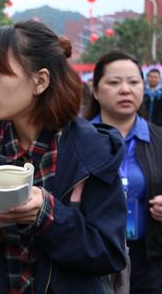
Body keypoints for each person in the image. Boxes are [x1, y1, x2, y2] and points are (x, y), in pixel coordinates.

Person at [0, 20, 128, 293]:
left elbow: (109, 252)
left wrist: (48, 215)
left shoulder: (91, 150)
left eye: (0, 73)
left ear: (40, 81)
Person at [85, 50, 162, 293]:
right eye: (114, 82)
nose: (125, 89)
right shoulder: (75, 141)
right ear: (95, 91)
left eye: (133, 82)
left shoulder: (159, 140)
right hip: (90, 259)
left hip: (149, 263)